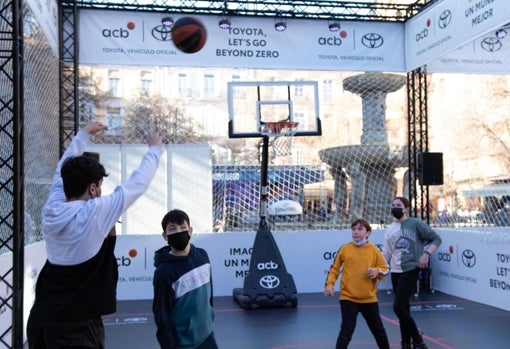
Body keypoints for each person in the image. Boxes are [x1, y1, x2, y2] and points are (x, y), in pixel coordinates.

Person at [27, 121, 164, 349]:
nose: (100, 192)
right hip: (76, 327)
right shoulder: (94, 212)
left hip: (42, 317)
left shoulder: (52, 208)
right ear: (92, 189)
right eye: (99, 186)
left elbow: (63, 168)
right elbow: (137, 184)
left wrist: (83, 135)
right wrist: (155, 149)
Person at [153, 209, 218, 349]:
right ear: (165, 236)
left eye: (183, 228)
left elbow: (209, 296)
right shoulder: (164, 272)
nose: (178, 232)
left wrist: (209, 320)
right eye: (172, 229)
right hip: (184, 344)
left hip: (208, 336)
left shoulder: (203, 256)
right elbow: (162, 316)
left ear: (190, 230)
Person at [382, 196, 442, 349]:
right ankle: (406, 342)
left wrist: (426, 254)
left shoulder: (415, 223)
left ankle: (417, 339)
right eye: (393, 204)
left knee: (397, 308)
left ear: (406, 208)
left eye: (399, 205)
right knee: (404, 307)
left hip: (410, 268)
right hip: (395, 270)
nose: (395, 207)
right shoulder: (390, 229)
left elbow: (436, 239)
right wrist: (380, 268)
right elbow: (386, 253)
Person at [324, 219, 390, 349]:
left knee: (379, 331)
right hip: (348, 297)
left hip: (369, 298)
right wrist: (329, 285)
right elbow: (334, 269)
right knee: (346, 331)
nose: (356, 232)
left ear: (368, 233)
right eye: (353, 229)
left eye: (360, 229)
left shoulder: (374, 250)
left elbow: (385, 269)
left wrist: (376, 271)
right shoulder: (345, 249)